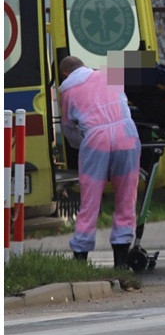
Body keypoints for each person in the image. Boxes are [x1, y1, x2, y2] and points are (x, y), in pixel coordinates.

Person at [58, 55, 142, 269]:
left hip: (96, 140)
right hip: (127, 134)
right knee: (126, 197)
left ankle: (80, 258)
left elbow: (69, 130)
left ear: (65, 75)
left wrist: (81, 143)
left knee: (90, 200)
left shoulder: (67, 91)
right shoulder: (108, 73)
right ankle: (121, 260)